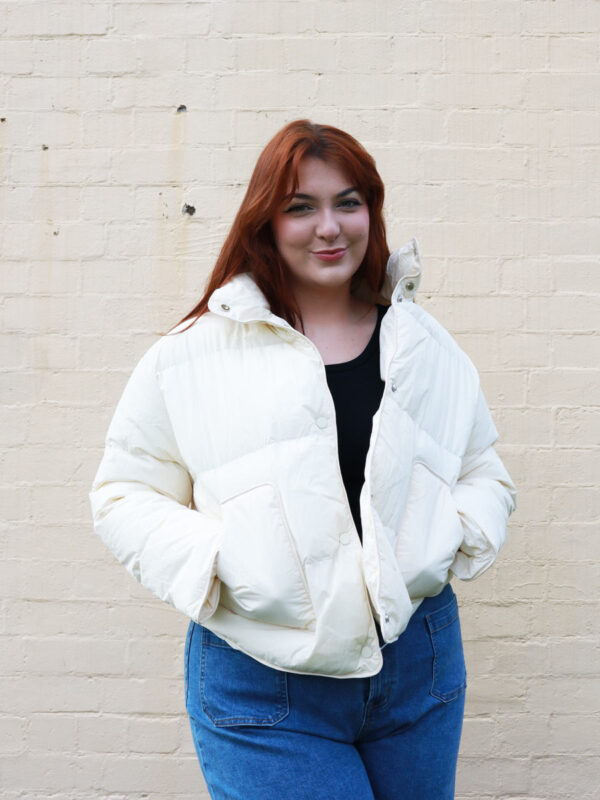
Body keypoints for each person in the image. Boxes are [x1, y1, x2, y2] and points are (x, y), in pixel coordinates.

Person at [90, 119, 516, 800]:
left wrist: (450, 538)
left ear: (372, 213)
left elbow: (482, 472)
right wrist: (228, 563)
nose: (330, 227)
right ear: (266, 219)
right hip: (266, 673)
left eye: (349, 202)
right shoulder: (194, 354)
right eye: (301, 207)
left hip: (418, 666)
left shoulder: (423, 344)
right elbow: (122, 494)